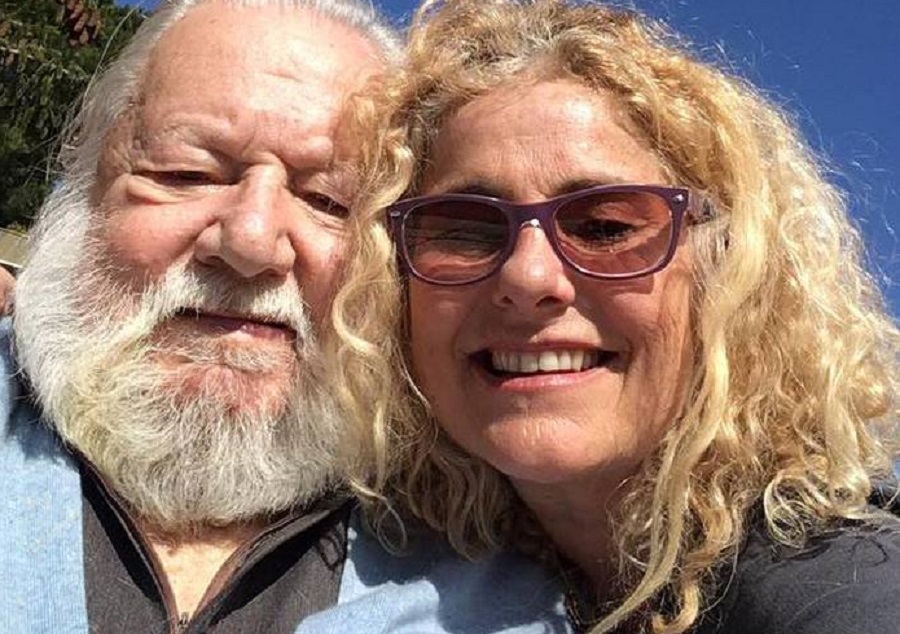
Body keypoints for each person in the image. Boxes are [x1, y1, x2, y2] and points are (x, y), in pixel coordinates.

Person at [0, 1, 570, 632]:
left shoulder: (508, 578)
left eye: (330, 201)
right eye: (186, 174)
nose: (250, 242)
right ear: (84, 187)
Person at [337, 0, 900, 632]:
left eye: (605, 226)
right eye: (466, 230)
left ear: (729, 270)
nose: (527, 277)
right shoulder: (417, 562)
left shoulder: (839, 587)